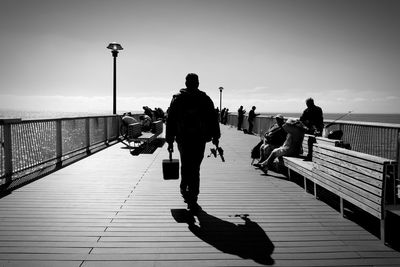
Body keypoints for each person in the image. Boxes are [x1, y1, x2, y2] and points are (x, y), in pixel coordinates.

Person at [166, 73, 221, 212]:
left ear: (186, 83)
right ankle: (193, 197)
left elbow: (171, 120)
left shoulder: (177, 99)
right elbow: (213, 119)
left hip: (183, 138)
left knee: (186, 164)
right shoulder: (204, 98)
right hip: (199, 138)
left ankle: (184, 186)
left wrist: (170, 140)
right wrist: (216, 136)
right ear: (198, 83)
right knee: (195, 167)